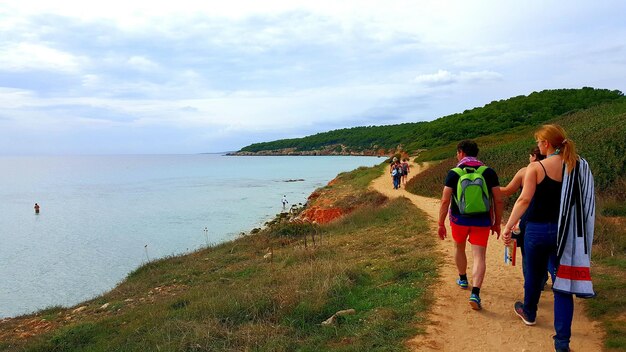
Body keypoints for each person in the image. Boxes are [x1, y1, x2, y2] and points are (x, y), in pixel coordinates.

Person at [503, 124, 596, 352]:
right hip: (565, 233)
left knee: (534, 275)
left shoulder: (536, 167)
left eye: (538, 142)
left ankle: (529, 312)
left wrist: (508, 226)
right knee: (563, 285)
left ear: (546, 143)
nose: (537, 146)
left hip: (536, 230)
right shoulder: (576, 166)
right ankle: (562, 342)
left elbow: (523, 200)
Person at [438, 140, 503, 310]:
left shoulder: (454, 173)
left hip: (459, 220)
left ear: (461, 152)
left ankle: (463, 278)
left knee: (459, 248)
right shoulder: (488, 172)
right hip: (482, 221)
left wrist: (440, 223)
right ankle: (475, 293)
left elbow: (445, 200)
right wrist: (496, 222)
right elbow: (498, 200)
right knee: (479, 256)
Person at [500, 147, 554, 285]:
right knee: (549, 252)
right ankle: (549, 279)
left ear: (534, 156)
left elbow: (507, 191)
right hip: (553, 217)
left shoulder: (525, 171)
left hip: (529, 217)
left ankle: (535, 284)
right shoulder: (556, 169)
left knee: (528, 253)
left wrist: (491, 187)